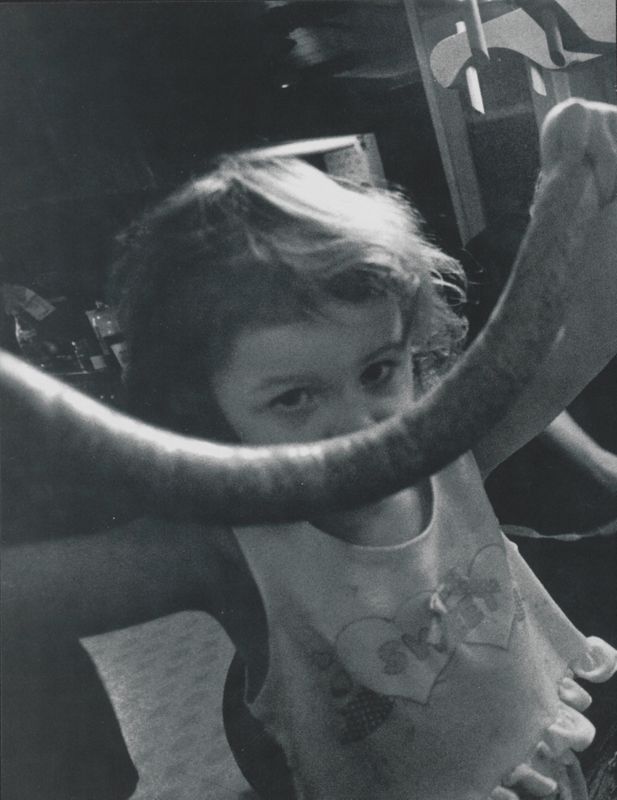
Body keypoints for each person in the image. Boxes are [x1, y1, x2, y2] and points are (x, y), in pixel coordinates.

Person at [2, 98, 617, 800]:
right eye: (295, 398)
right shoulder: (227, 544)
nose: (358, 425)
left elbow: (586, 334)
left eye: (378, 371)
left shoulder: (450, 455)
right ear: (205, 407)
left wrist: (584, 170)